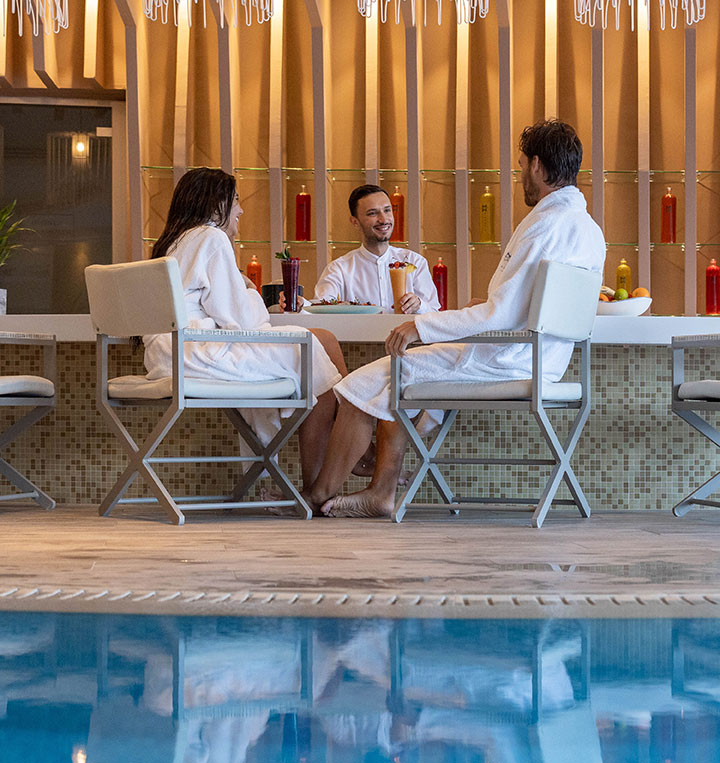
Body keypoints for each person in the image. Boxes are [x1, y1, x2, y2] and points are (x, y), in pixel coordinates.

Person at [307, 119, 606, 517]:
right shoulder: (587, 228)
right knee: (397, 377)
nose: (520, 178)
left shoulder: (544, 225)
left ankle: (315, 497)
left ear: (536, 164)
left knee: (362, 384)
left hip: (508, 361)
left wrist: (421, 326)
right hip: (545, 358)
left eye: (520, 167)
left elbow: (498, 313)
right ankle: (380, 491)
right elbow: (519, 306)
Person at [142, 167, 344, 491]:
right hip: (199, 356)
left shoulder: (173, 242)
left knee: (318, 346)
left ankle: (315, 475)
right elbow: (244, 323)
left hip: (169, 358)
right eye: (236, 201)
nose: (241, 210)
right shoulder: (211, 237)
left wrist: (240, 284)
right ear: (217, 203)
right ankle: (323, 481)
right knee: (314, 351)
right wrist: (249, 290)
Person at [282, 184, 440, 314]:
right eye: (373, 213)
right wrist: (300, 304)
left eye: (387, 210)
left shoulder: (414, 262)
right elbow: (321, 309)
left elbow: (435, 314)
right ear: (355, 222)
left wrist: (419, 305)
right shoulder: (340, 269)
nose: (383, 219)